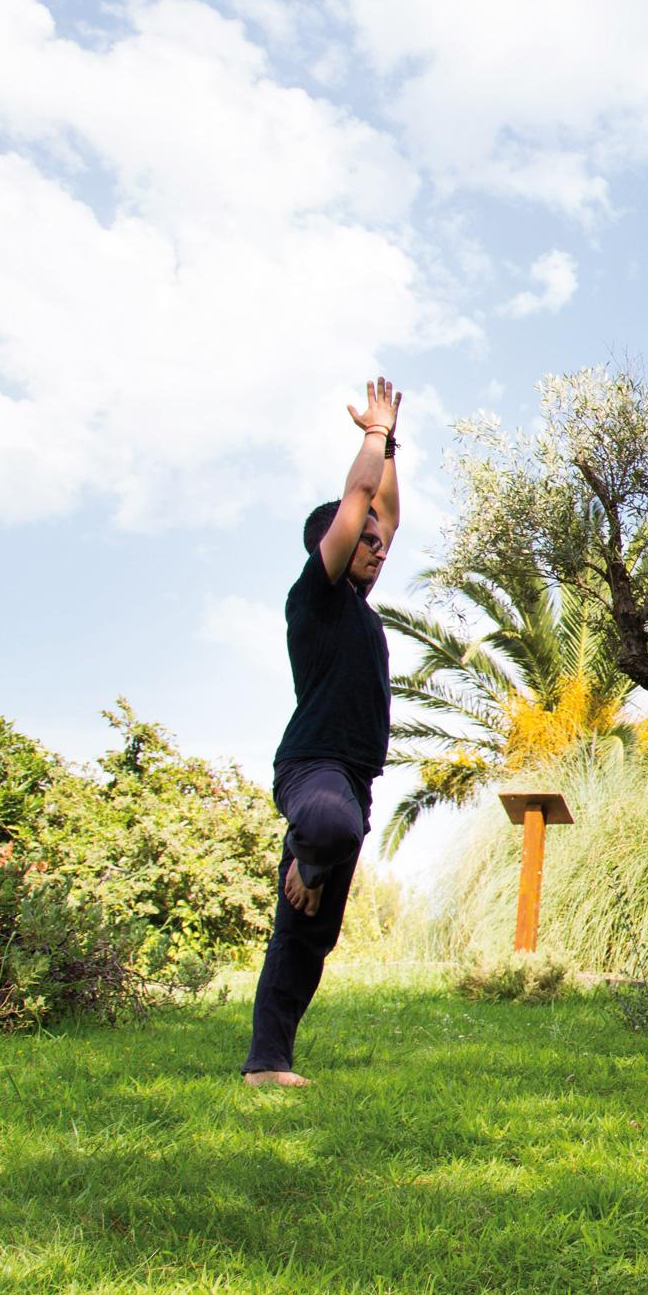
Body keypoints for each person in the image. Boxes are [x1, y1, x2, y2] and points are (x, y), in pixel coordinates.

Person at [242, 376, 402, 1086]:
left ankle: (266, 1062)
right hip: (314, 769)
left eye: (378, 542)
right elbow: (362, 504)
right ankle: (307, 856)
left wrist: (394, 443)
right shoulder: (316, 595)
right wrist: (371, 439)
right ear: (334, 543)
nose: (378, 545)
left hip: (354, 781)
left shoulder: (363, 610)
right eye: (363, 539)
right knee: (331, 825)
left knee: (310, 934)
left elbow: (386, 512)